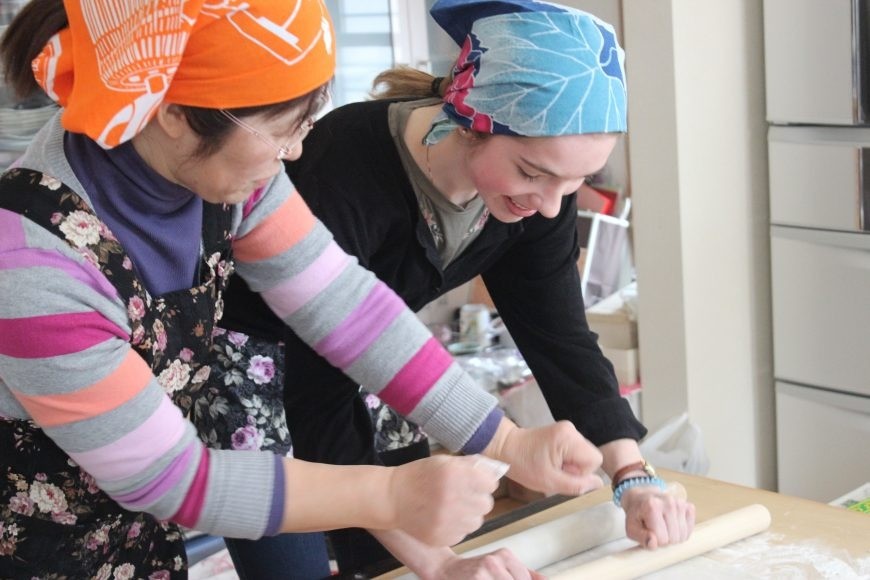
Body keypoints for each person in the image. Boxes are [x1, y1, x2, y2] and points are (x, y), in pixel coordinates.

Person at [0, 1, 607, 578]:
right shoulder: (33, 263)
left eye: (305, 120)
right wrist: (390, 494)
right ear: (176, 113)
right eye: (282, 129)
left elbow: (347, 307)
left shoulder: (224, 173)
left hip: (133, 538)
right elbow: (171, 478)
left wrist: (505, 440)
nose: (294, 151)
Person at [218, 0, 697, 576]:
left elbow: (561, 339)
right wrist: (443, 564)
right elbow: (315, 394)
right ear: (471, 122)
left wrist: (631, 474)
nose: (550, 206)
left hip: (378, 362)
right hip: (256, 377)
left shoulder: (537, 199)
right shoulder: (343, 168)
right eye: (532, 172)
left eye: (574, 183)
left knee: (387, 561)